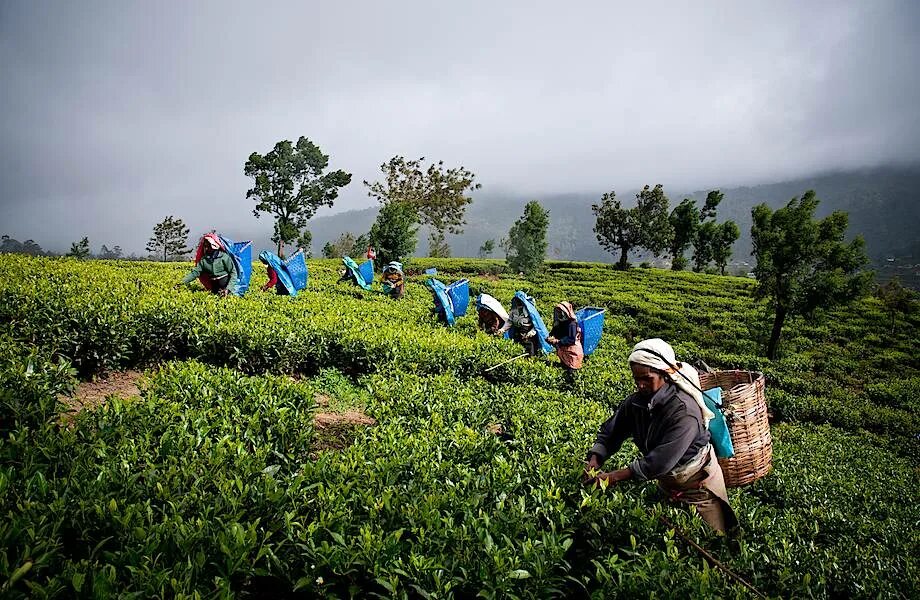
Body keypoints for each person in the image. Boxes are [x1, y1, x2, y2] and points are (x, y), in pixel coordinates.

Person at [583, 338, 738, 534]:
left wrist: (611, 478)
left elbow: (660, 462)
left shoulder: (684, 411)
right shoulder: (636, 403)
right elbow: (612, 431)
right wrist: (595, 459)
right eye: (636, 379)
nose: (640, 385)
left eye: (646, 379)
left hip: (698, 486)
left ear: (665, 375)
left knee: (712, 538)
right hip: (667, 482)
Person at [546, 302, 584, 383]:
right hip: (564, 351)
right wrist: (550, 338)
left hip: (572, 352)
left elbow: (571, 339)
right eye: (557, 312)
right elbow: (554, 333)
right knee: (564, 369)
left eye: (560, 312)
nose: (559, 314)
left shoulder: (571, 324)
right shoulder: (559, 322)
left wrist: (558, 341)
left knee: (571, 372)